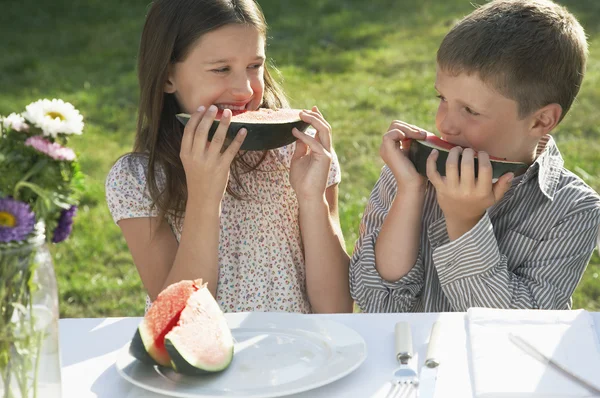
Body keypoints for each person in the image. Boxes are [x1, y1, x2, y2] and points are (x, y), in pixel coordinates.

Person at [350, 0, 600, 312]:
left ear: (540, 121)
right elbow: (376, 299)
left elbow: (518, 327)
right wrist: (409, 193)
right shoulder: (410, 171)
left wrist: (465, 223)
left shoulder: (574, 209)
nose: (445, 123)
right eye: (442, 98)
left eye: (470, 110)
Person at [105, 0, 352, 314]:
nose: (245, 89)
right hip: (200, 361)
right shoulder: (138, 180)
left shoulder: (300, 152)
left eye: (255, 66)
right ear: (168, 76)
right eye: (221, 69)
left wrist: (312, 199)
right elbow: (180, 317)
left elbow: (337, 308)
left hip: (301, 353)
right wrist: (204, 200)